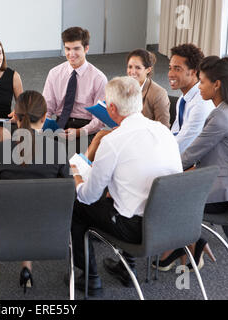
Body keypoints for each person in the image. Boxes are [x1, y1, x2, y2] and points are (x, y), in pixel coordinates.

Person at [69, 77, 182, 296]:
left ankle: (90, 279)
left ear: (111, 108)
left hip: (137, 229)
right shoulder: (164, 131)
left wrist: (76, 175)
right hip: (174, 221)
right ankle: (126, 267)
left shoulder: (113, 142)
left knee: (77, 206)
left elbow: (88, 197)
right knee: (120, 195)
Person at [154, 56, 228, 272]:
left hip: (216, 194)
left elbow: (189, 156)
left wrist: (156, 166)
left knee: (158, 192)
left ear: (216, 84)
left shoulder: (220, 117)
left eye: (201, 81)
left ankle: (190, 243)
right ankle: (182, 245)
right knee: (168, 182)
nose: (198, 87)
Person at [0, 90, 69, 293]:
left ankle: (26, 265)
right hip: (51, 231)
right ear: (44, 117)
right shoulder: (57, 150)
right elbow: (68, 193)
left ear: (14, 116)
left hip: (7, 230)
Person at [43, 27, 107, 155]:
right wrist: (47, 127)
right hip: (59, 124)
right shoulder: (54, 74)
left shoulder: (98, 78)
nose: (71, 54)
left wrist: (79, 132)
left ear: (86, 48)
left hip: (86, 127)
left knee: (74, 161)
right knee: (41, 155)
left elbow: (99, 120)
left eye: (76, 48)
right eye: (67, 49)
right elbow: (46, 107)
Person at [169, 43, 214, 153]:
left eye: (177, 69)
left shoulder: (200, 104)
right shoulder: (184, 98)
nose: (170, 74)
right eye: (170, 68)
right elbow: (175, 132)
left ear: (194, 72)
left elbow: (183, 144)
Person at [127, 49, 170, 127]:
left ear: (148, 70)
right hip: (128, 130)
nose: (132, 72)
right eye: (130, 67)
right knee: (101, 134)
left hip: (145, 135)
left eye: (138, 68)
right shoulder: (126, 87)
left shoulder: (158, 93)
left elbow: (163, 128)